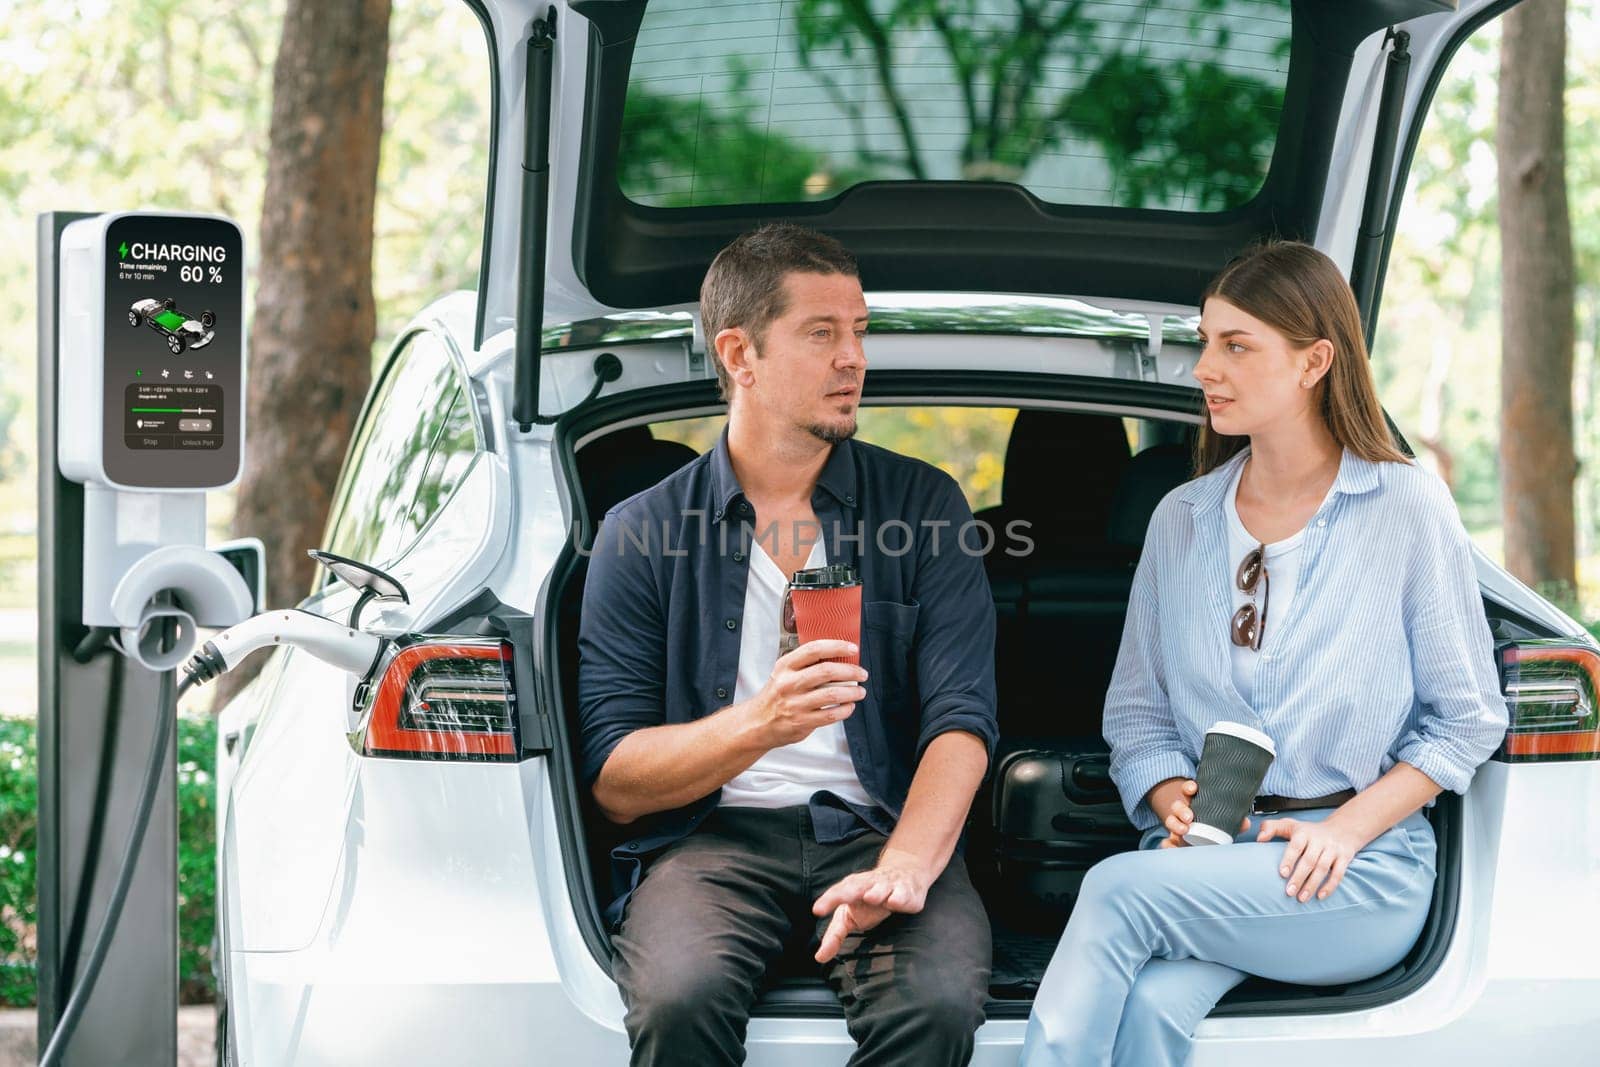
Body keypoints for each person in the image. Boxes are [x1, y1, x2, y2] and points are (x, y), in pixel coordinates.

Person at [1019, 241, 1509, 1066]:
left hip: (1357, 872)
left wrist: (1346, 829)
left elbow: (1467, 718)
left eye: (1236, 345)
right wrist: (1175, 795)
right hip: (1216, 862)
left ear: (1316, 360)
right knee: (1148, 1009)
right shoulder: (1180, 519)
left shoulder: (1405, 505)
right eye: (1206, 341)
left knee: (1112, 891)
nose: (1205, 367)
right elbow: (1137, 712)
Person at [577, 222, 997, 1066]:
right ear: (740, 353)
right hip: (710, 842)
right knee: (677, 999)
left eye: (860, 331)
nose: (855, 359)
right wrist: (760, 723)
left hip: (881, 828)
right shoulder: (641, 532)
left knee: (938, 1006)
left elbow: (964, 720)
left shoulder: (923, 506)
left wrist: (906, 867)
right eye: (822, 334)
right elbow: (616, 781)